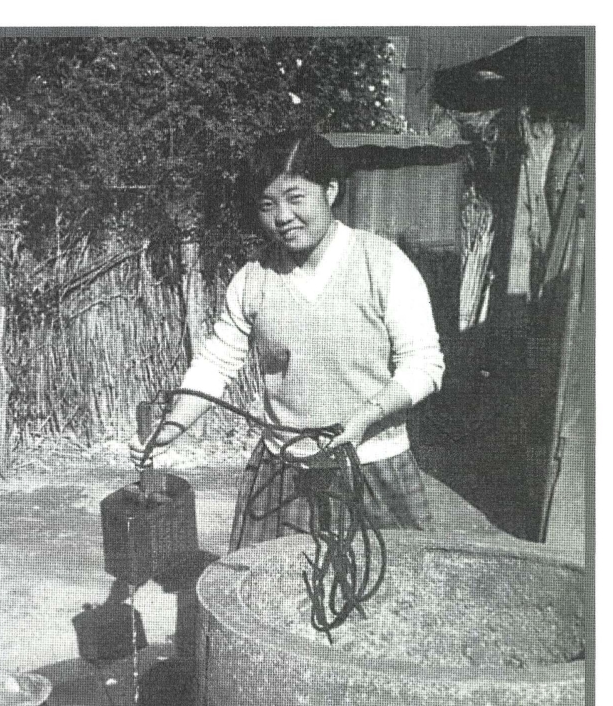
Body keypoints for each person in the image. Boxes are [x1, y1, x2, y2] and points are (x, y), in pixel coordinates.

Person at [130, 129, 445, 551]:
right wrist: (173, 426)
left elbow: (424, 366)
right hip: (283, 472)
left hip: (373, 465)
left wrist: (365, 418)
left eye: (296, 198)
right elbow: (215, 365)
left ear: (330, 190)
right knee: (264, 584)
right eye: (267, 204)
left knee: (390, 584)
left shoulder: (384, 264)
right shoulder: (253, 280)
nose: (282, 216)